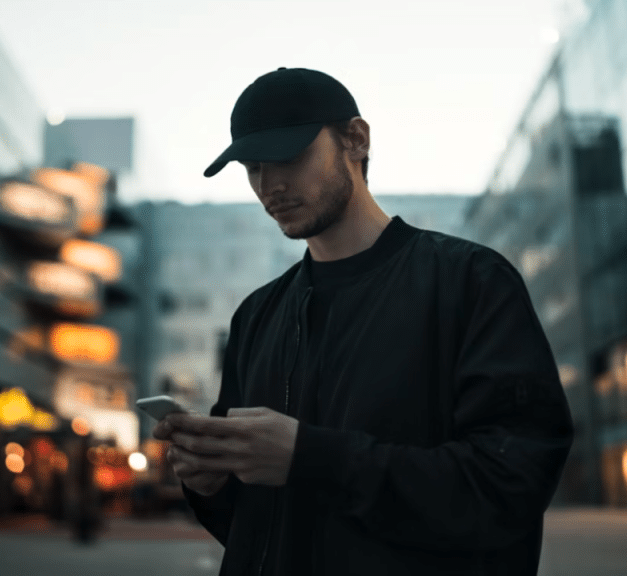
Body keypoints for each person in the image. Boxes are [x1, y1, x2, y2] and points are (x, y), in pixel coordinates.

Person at [153, 67, 574, 576]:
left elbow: (510, 485)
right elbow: (252, 526)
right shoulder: (256, 316)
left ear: (356, 139)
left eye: (289, 155)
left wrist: (310, 458)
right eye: (252, 166)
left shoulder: (470, 282)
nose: (269, 184)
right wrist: (211, 483)